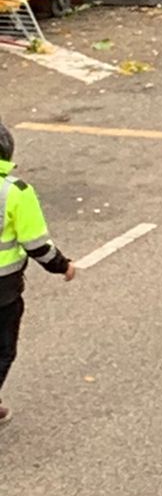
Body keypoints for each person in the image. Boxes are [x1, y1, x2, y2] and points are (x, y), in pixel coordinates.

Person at [0, 122, 75, 424]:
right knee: (3, 349)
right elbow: (37, 245)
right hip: (2, 291)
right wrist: (62, 265)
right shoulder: (15, 192)